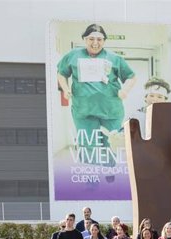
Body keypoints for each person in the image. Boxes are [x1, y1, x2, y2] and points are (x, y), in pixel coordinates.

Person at [57, 24, 137, 166]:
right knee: (87, 142)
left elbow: (131, 77)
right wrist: (65, 88)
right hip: (83, 109)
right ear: (84, 39)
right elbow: (61, 74)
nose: (95, 43)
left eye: (99, 39)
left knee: (111, 142)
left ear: (104, 41)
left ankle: (109, 172)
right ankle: (91, 176)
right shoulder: (73, 56)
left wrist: (125, 90)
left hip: (110, 109)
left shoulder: (115, 58)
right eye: (91, 39)